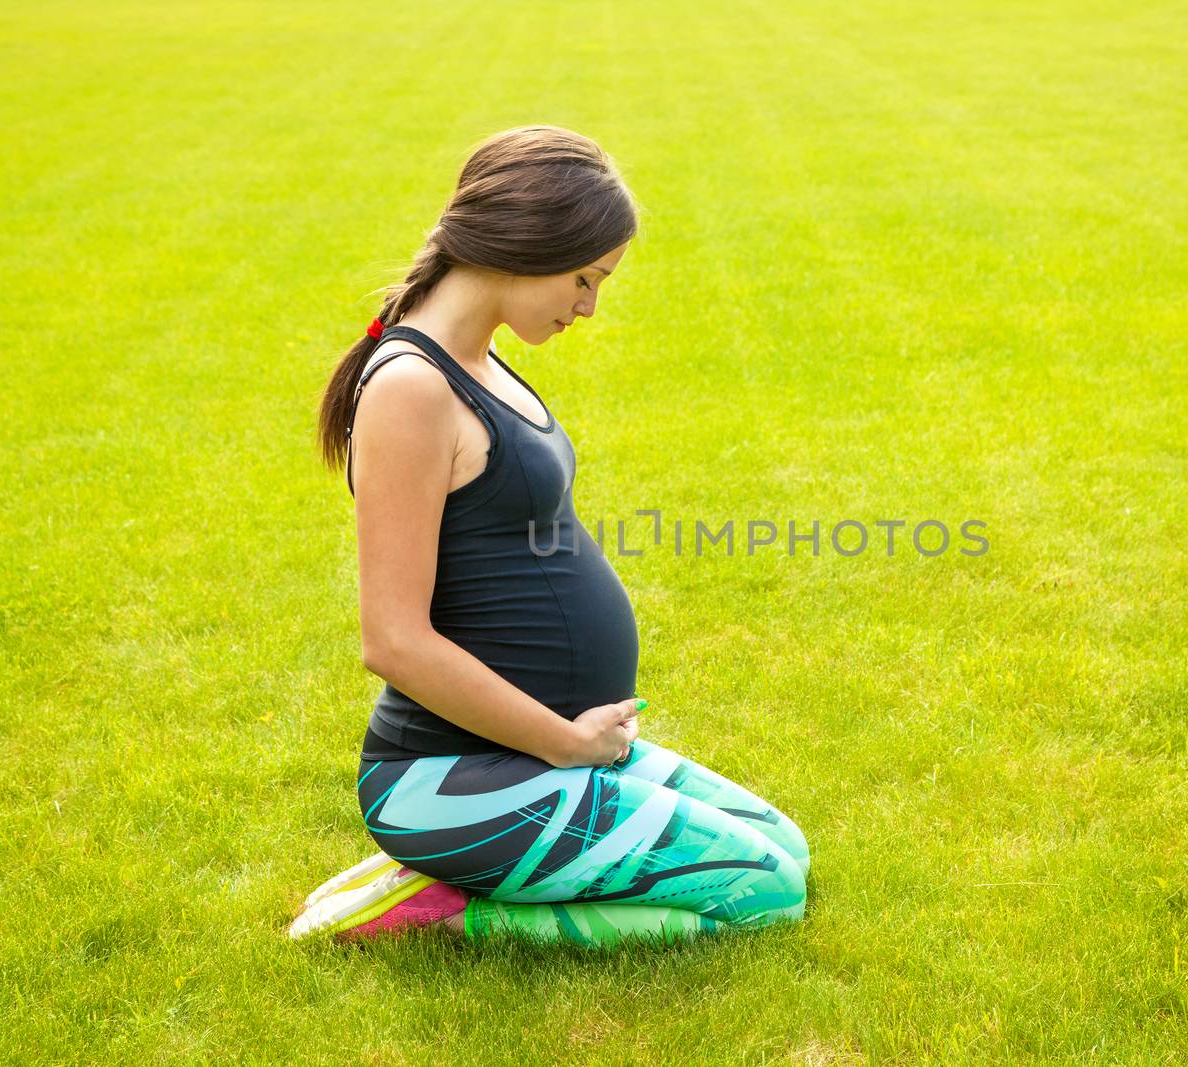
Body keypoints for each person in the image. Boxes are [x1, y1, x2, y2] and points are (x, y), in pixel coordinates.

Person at [289, 126, 810, 949]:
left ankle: (457, 869)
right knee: (764, 891)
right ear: (526, 244)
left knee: (789, 848)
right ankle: (438, 910)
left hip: (540, 756)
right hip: (449, 780)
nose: (589, 306)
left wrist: (574, 739)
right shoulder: (411, 390)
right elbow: (392, 640)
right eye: (585, 278)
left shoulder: (480, 359)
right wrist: (565, 741)